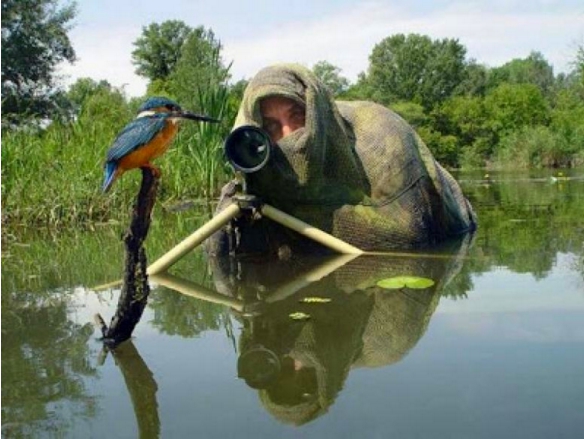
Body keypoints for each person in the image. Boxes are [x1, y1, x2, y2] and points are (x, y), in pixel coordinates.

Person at [208, 63, 476, 256]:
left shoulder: (380, 145)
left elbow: (412, 235)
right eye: (272, 126)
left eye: (297, 117)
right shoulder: (261, 167)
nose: (289, 136)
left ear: (316, 114)